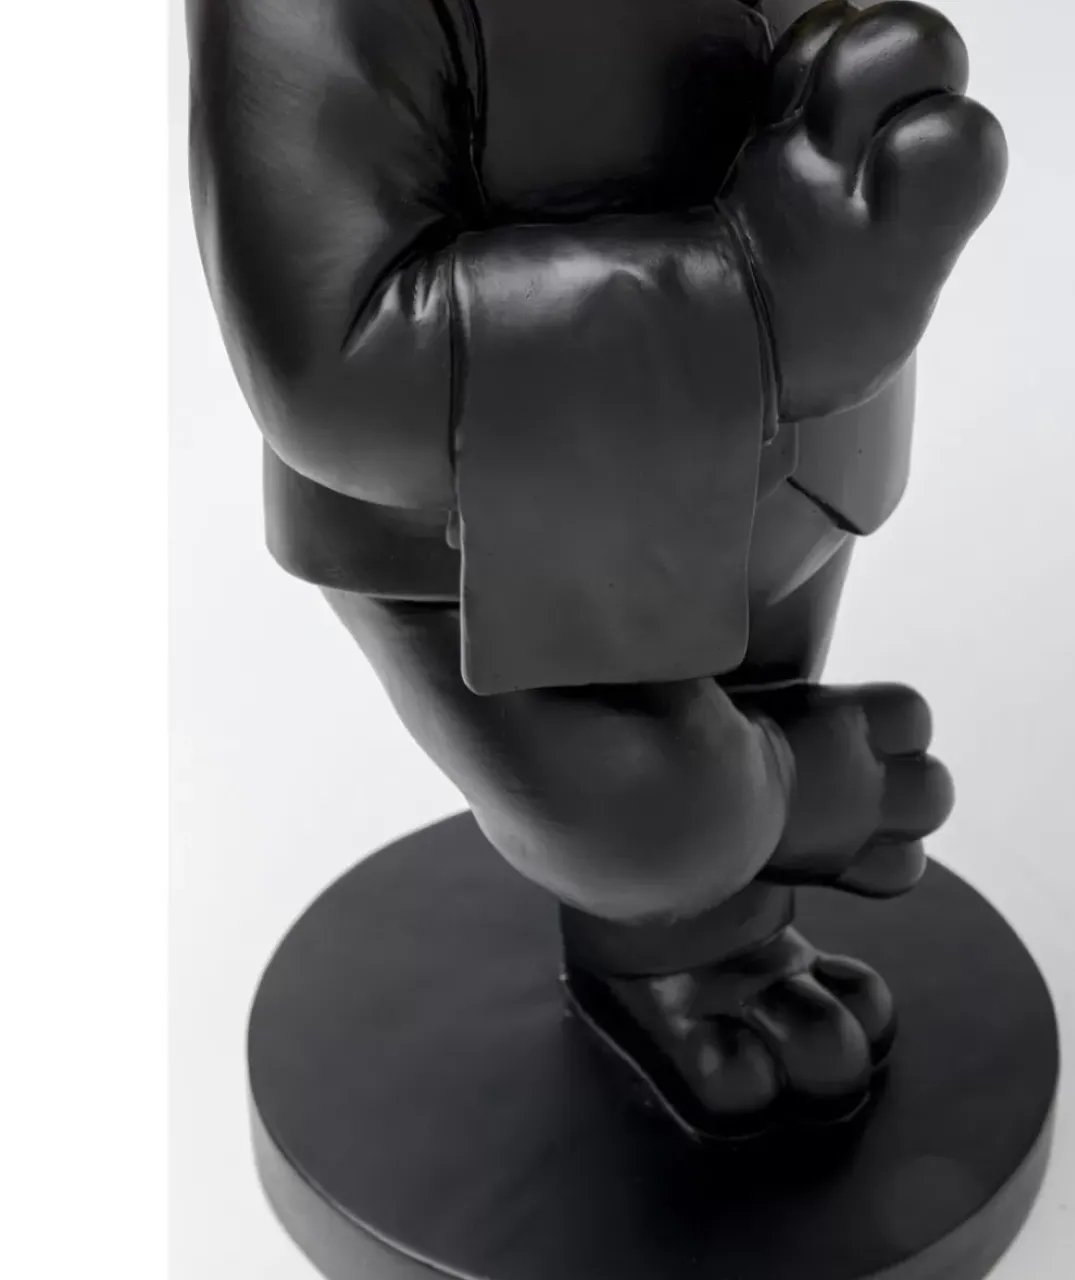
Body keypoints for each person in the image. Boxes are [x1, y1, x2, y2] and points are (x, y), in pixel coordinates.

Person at [189, 0, 1007, 1136]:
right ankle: (773, 803)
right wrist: (751, 302)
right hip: (469, 526)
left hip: (805, 452)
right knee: (644, 818)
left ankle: (711, 931)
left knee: (712, 789)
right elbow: (332, 360)